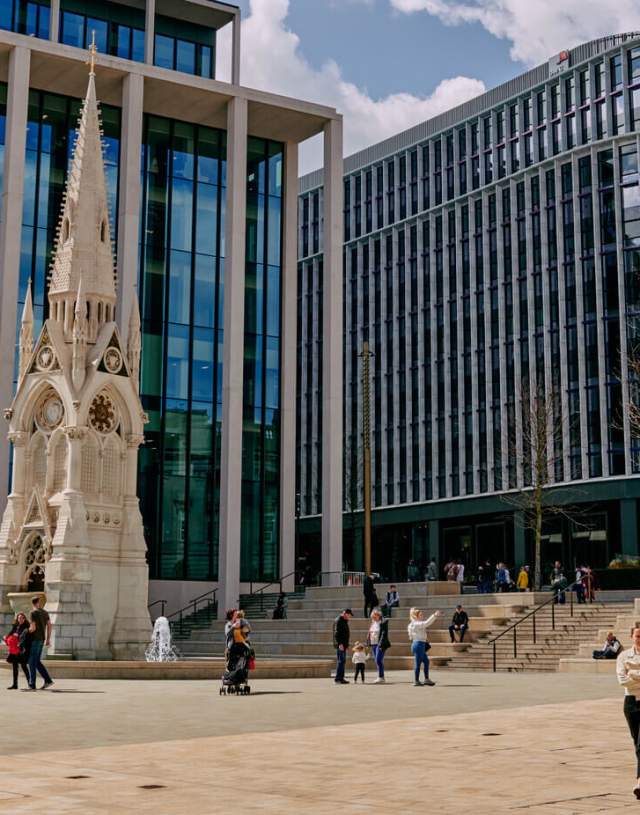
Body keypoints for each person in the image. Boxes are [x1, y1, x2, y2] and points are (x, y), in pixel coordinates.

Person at [616, 626, 640, 799]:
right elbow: (623, 681)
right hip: (630, 703)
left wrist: (633, 673)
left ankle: (639, 781)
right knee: (636, 742)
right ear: (632, 637)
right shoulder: (623, 656)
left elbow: (629, 677)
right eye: (637, 636)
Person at [407, 607, 441, 686]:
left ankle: (426, 679)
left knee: (426, 661)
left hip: (417, 644)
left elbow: (410, 637)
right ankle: (416, 680)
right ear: (416, 616)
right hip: (419, 644)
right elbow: (426, 623)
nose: (422, 616)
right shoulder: (416, 623)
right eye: (420, 615)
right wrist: (434, 615)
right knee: (418, 663)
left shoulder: (411, 624)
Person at [26, 596, 53, 691]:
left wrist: (26, 631)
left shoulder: (33, 613)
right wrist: (48, 639)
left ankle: (32, 684)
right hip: (42, 639)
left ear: (32, 603)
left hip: (34, 640)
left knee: (31, 662)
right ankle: (48, 680)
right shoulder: (45, 612)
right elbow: (49, 625)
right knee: (36, 661)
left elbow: (32, 628)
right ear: (39, 602)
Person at [3, 612, 30, 690]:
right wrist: (6, 637)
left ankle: (30, 683)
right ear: (17, 619)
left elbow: (24, 637)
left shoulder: (26, 627)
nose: (20, 619)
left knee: (24, 667)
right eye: (19, 618)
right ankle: (15, 684)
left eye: (22, 618)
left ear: (24, 619)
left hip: (21, 650)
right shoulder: (16, 626)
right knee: (15, 667)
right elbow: (10, 633)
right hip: (15, 650)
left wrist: (18, 637)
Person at [367, 607, 391, 684]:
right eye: (373, 617)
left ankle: (381, 677)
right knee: (377, 661)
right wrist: (368, 642)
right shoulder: (373, 623)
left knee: (378, 660)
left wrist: (380, 644)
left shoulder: (383, 622)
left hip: (380, 644)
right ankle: (380, 676)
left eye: (375, 616)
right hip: (373, 643)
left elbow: (384, 634)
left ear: (378, 615)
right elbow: (370, 633)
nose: (374, 618)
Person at [332, 608, 353, 684]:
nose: (349, 617)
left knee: (342, 661)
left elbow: (345, 634)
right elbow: (337, 634)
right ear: (345, 613)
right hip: (340, 645)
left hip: (343, 644)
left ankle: (341, 678)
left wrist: (346, 644)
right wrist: (340, 644)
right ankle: (338, 678)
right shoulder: (339, 621)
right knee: (341, 661)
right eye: (349, 615)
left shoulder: (343, 620)